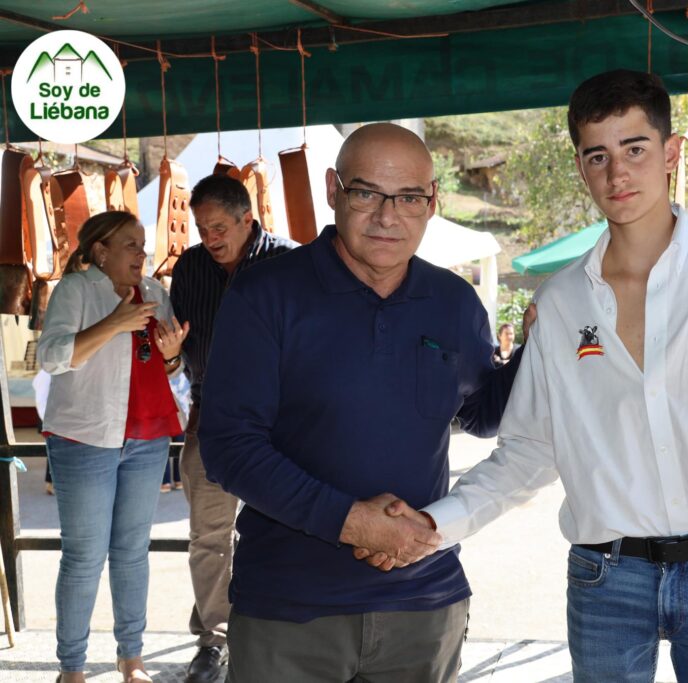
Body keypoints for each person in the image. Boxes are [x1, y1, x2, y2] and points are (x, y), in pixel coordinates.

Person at [377, 70, 688, 682]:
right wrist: (435, 525)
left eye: (635, 149)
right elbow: (528, 452)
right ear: (580, 167)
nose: (617, 174)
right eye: (598, 156)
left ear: (670, 153)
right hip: (605, 579)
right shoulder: (560, 303)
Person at [197, 123, 525, 682]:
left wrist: (538, 347)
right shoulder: (265, 294)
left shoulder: (453, 302)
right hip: (290, 608)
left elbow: (482, 414)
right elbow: (229, 447)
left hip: (424, 603)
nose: (387, 216)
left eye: (409, 198)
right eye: (367, 193)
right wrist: (350, 522)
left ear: (432, 201)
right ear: (333, 190)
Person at [37, 210, 189, 683]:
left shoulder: (156, 292)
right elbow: (51, 358)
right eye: (131, 245)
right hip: (85, 437)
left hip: (147, 438)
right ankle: (72, 668)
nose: (142, 254)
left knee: (132, 553)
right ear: (101, 251)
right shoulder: (76, 290)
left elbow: (169, 368)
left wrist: (172, 356)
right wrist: (114, 323)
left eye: (143, 245)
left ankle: (132, 660)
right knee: (84, 557)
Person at [169, 174, 295, 683]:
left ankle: (283, 631)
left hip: (283, 419)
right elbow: (176, 350)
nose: (209, 238)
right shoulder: (190, 267)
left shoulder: (290, 262)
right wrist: (170, 358)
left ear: (248, 218)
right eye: (202, 229)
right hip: (212, 416)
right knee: (209, 536)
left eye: (219, 227)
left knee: (287, 526)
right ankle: (214, 640)